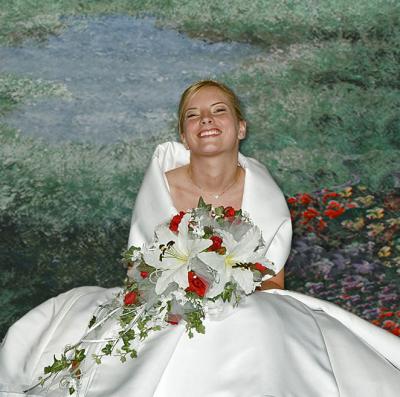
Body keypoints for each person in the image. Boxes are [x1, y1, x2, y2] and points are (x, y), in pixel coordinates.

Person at [1, 80, 400, 397]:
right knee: (169, 328)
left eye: (218, 110)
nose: (206, 120)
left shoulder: (262, 190)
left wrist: (222, 286)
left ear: (240, 127)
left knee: (256, 319)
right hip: (168, 299)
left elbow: (273, 281)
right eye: (193, 115)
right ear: (185, 134)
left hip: (248, 300)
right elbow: (142, 271)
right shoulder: (162, 186)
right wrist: (186, 287)